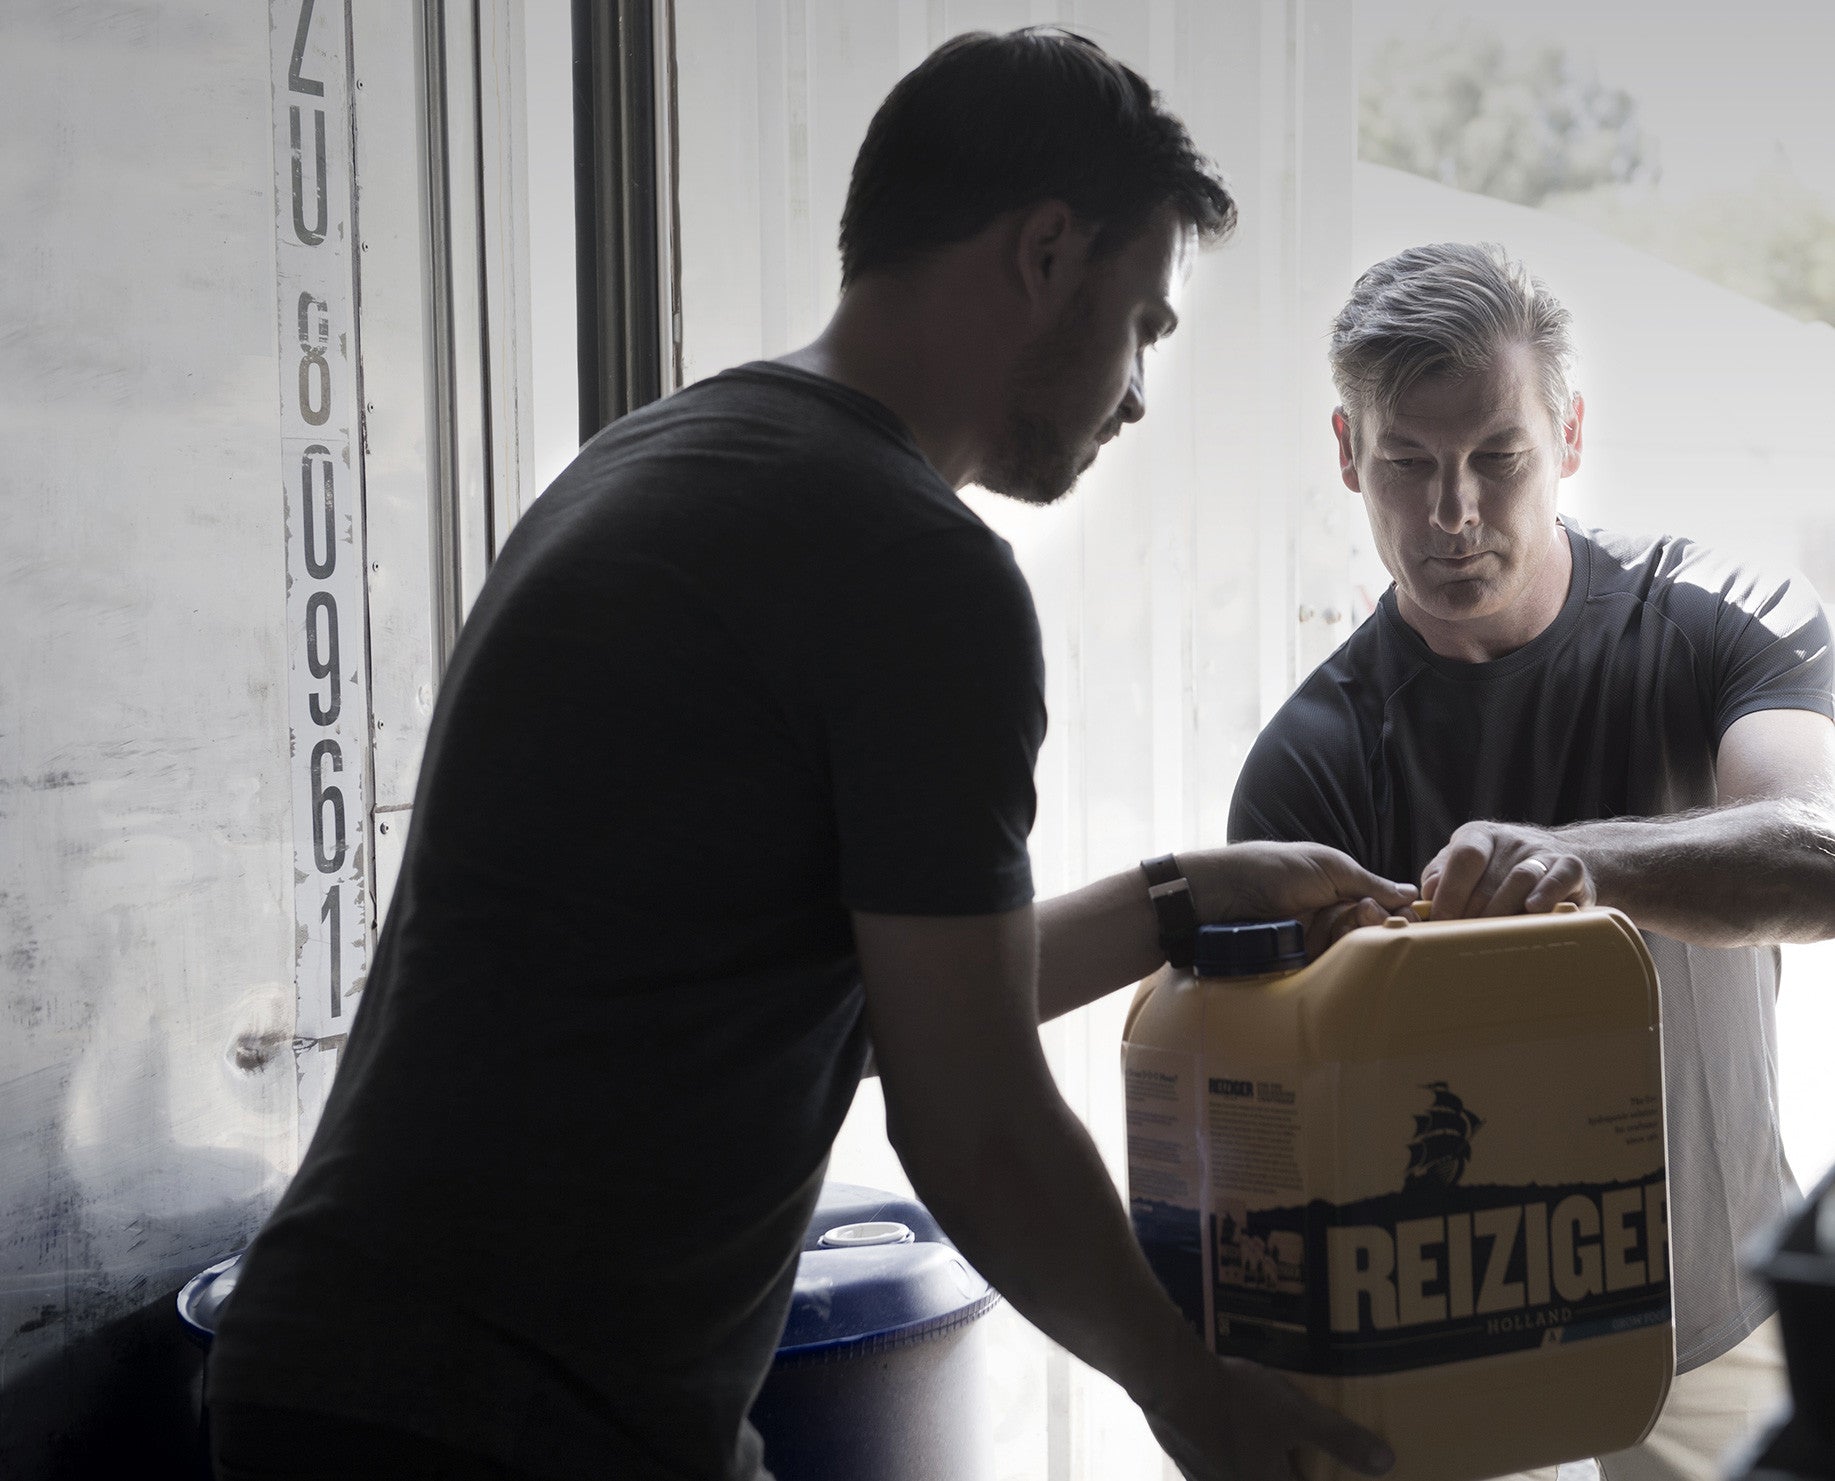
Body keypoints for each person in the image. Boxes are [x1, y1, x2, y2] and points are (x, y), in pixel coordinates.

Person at [205, 29, 1415, 1481]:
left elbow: (866, 993)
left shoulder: (663, 456)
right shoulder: (912, 568)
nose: (1140, 389)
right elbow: (965, 1113)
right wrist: (1191, 1393)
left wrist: (1180, 895)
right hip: (491, 1420)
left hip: (355, 1381)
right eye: (1144, 323)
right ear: (1043, 254)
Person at [1227, 241, 1835, 1481]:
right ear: (1347, 453)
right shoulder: (1307, 757)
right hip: (1433, 1336)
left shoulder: (1715, 621)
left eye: (1495, 456)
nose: (1451, 512)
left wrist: (1570, 862)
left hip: (1709, 1317)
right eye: (1406, 461)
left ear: (1565, 434)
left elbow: (1818, 854)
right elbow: (1272, 1120)